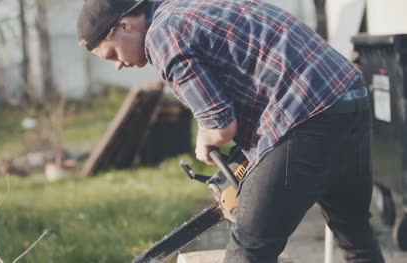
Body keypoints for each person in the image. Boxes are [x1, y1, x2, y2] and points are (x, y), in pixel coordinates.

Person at [77, 0, 386, 262]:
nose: (118, 65)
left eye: (113, 54)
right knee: (355, 236)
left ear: (124, 26)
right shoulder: (188, 9)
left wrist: (204, 141)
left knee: (249, 249)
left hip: (305, 115)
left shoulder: (162, 34)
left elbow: (220, 124)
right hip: (350, 100)